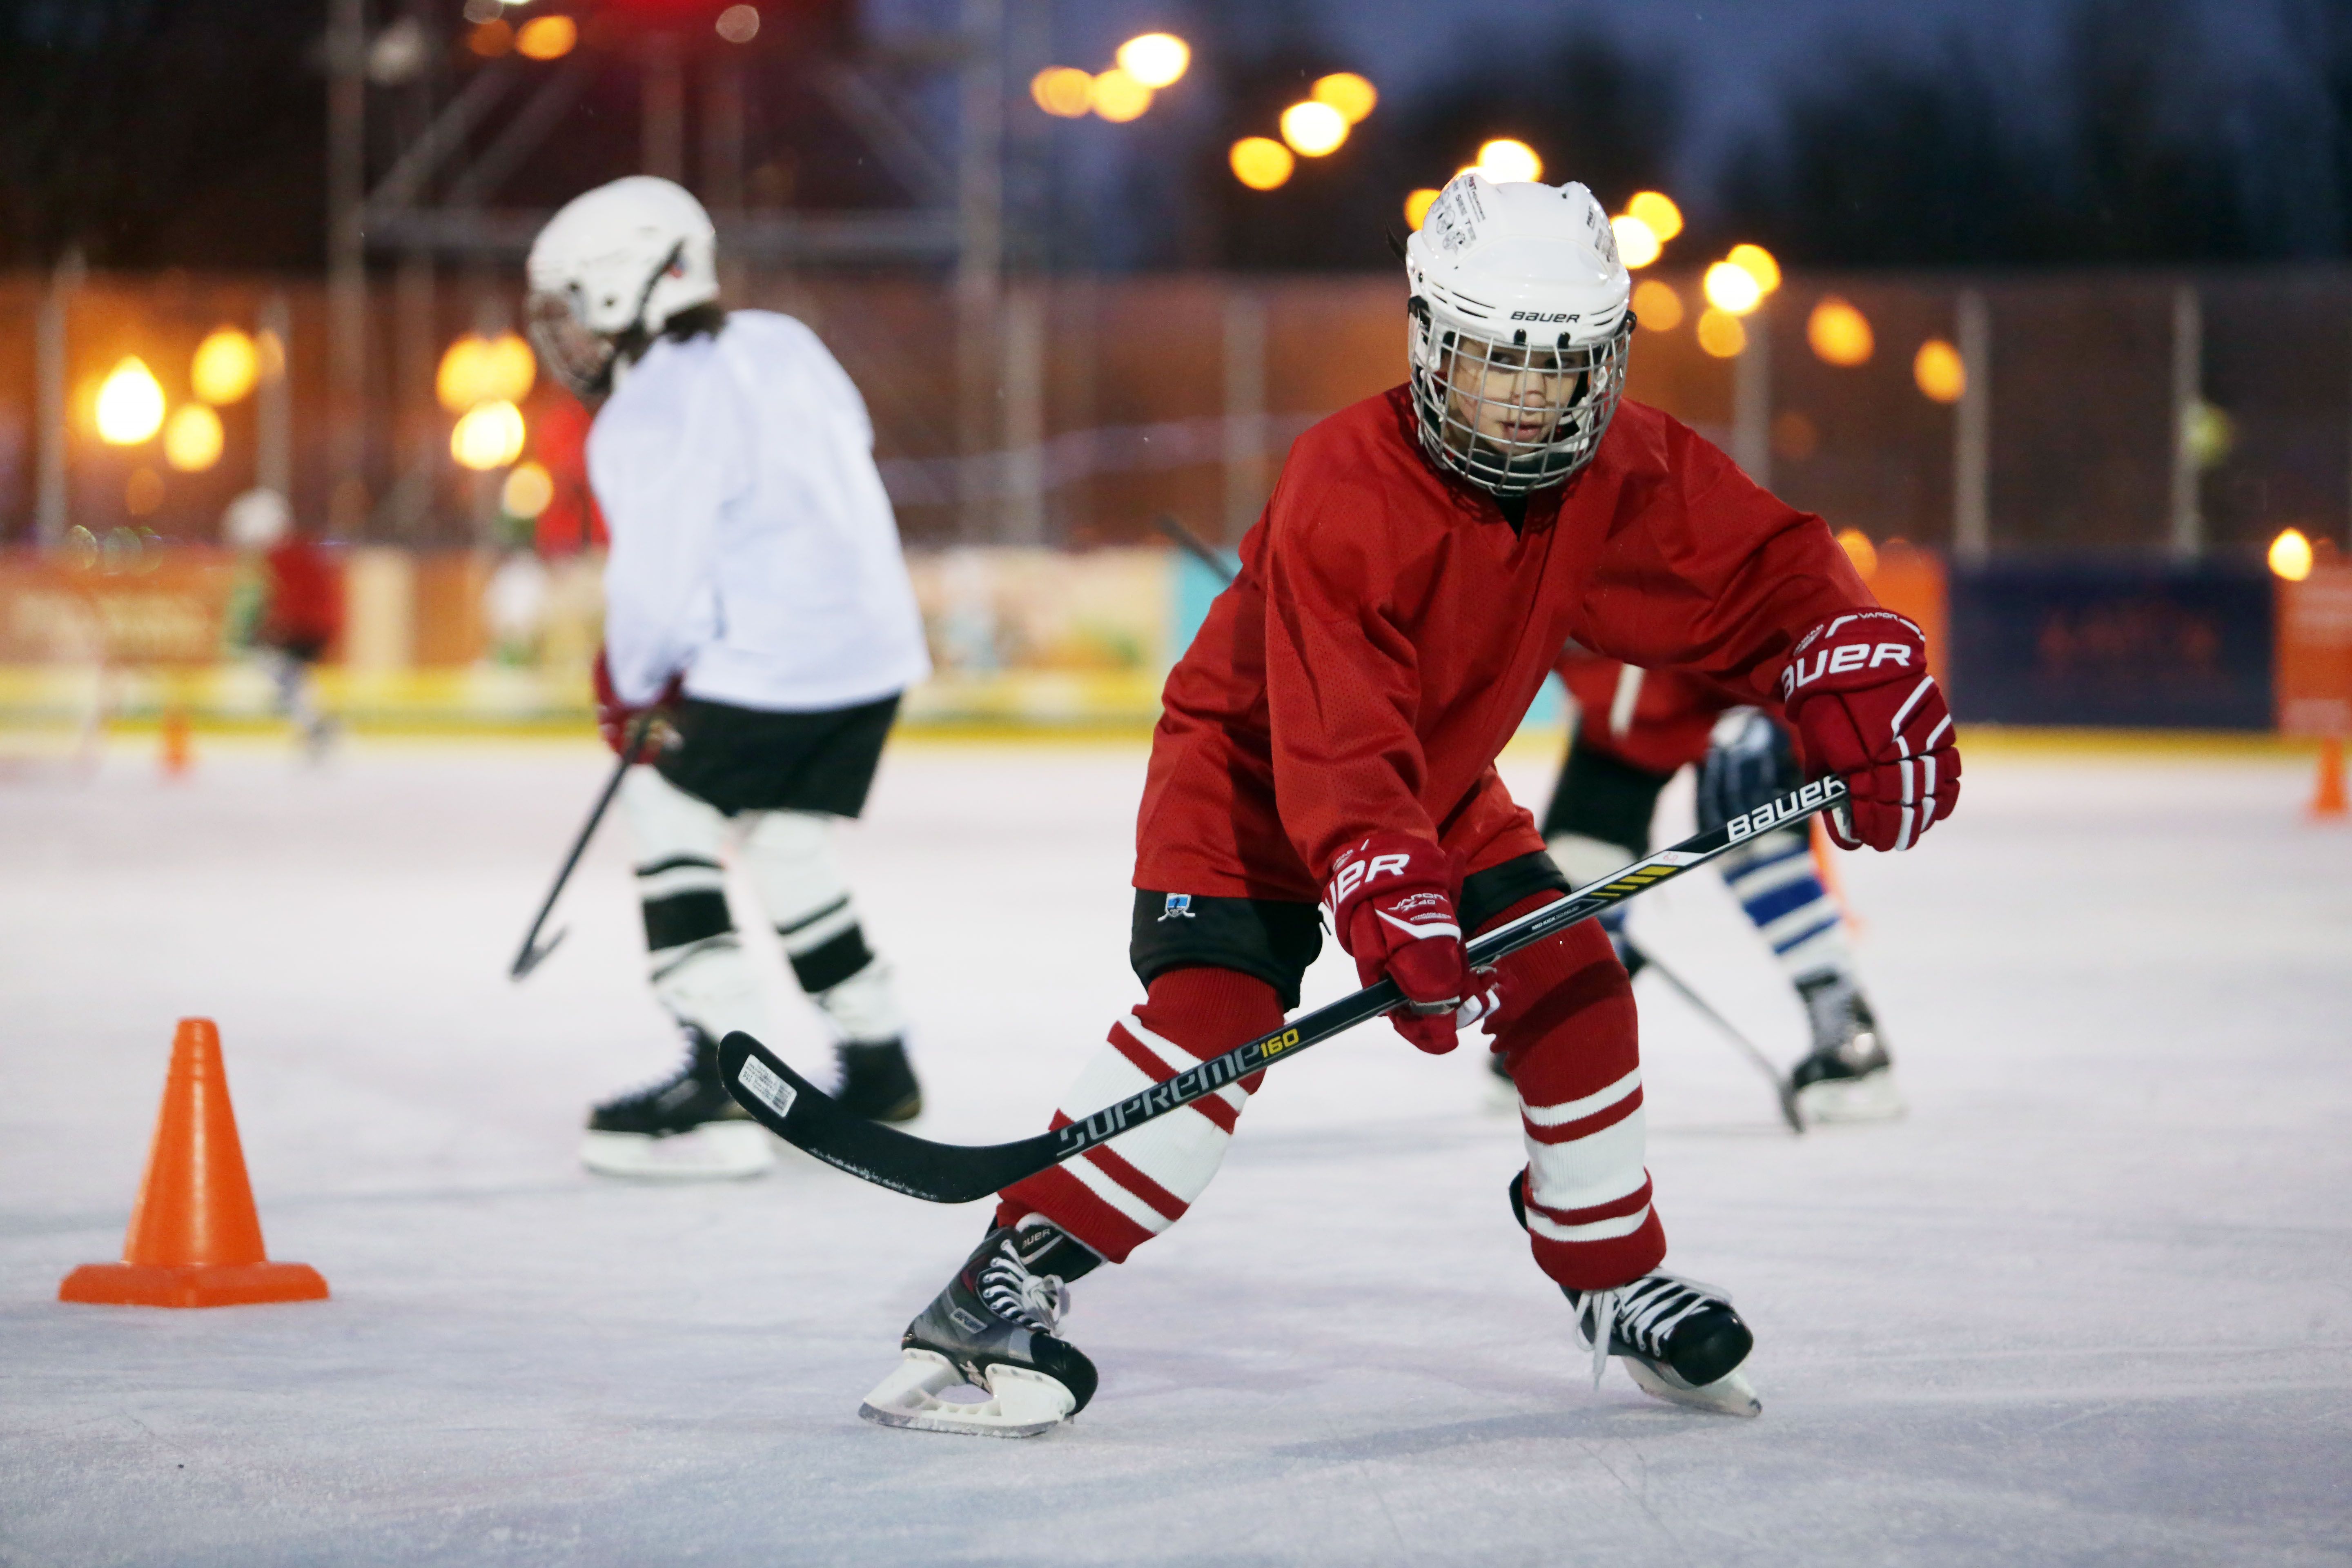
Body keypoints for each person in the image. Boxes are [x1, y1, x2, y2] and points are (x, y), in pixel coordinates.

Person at [856, 172, 1960, 1437]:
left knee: (1575, 983)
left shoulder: (1612, 471)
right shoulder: (1345, 474)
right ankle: (1006, 1282)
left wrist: (1852, 654)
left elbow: (1759, 567)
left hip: (1427, 779)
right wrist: (1388, 884)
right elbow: (1337, 734)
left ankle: (1611, 1271)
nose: (1531, 401)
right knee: (1219, 1017)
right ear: (1432, 342)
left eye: (1564, 369)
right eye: (1498, 364)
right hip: (1251, 772)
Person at [523, 176, 933, 1180]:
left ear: (623, 286)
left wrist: (630, 685)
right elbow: (840, 458)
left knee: (669, 817)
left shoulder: (646, 409)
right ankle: (878, 1061)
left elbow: (660, 579)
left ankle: (728, 1085)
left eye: (572, 304)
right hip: (872, 655)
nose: (566, 335)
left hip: (772, 663)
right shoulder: (782, 341)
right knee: (787, 844)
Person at [1528, 652, 1903, 1122]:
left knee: (1750, 797)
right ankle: (1569, 1026)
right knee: (1579, 858)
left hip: (1741, 692)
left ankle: (1844, 1017)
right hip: (1623, 708)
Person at [222, 487, 340, 759]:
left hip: (310, 626)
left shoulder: (283, 556)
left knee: (276, 664)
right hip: (313, 624)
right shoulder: (290, 552)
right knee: (282, 669)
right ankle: (309, 718)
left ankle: (310, 719)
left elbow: (292, 598)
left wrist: (272, 627)